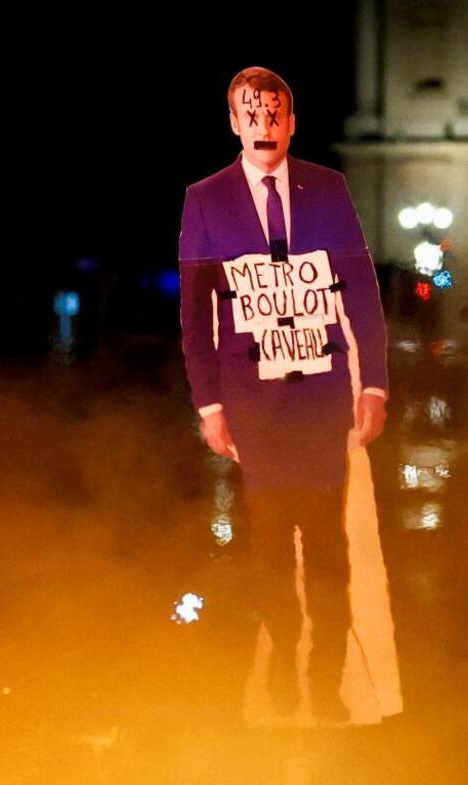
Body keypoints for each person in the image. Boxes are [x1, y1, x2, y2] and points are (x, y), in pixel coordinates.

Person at [178, 66, 389, 721]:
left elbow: (362, 292)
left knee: (327, 551)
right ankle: (281, 661)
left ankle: (325, 683)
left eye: (274, 114)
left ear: (292, 123)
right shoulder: (205, 199)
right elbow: (195, 315)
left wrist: (374, 383)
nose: (263, 125)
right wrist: (210, 405)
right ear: (233, 123)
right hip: (254, 409)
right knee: (270, 551)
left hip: (322, 401)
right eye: (252, 114)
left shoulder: (328, 189)